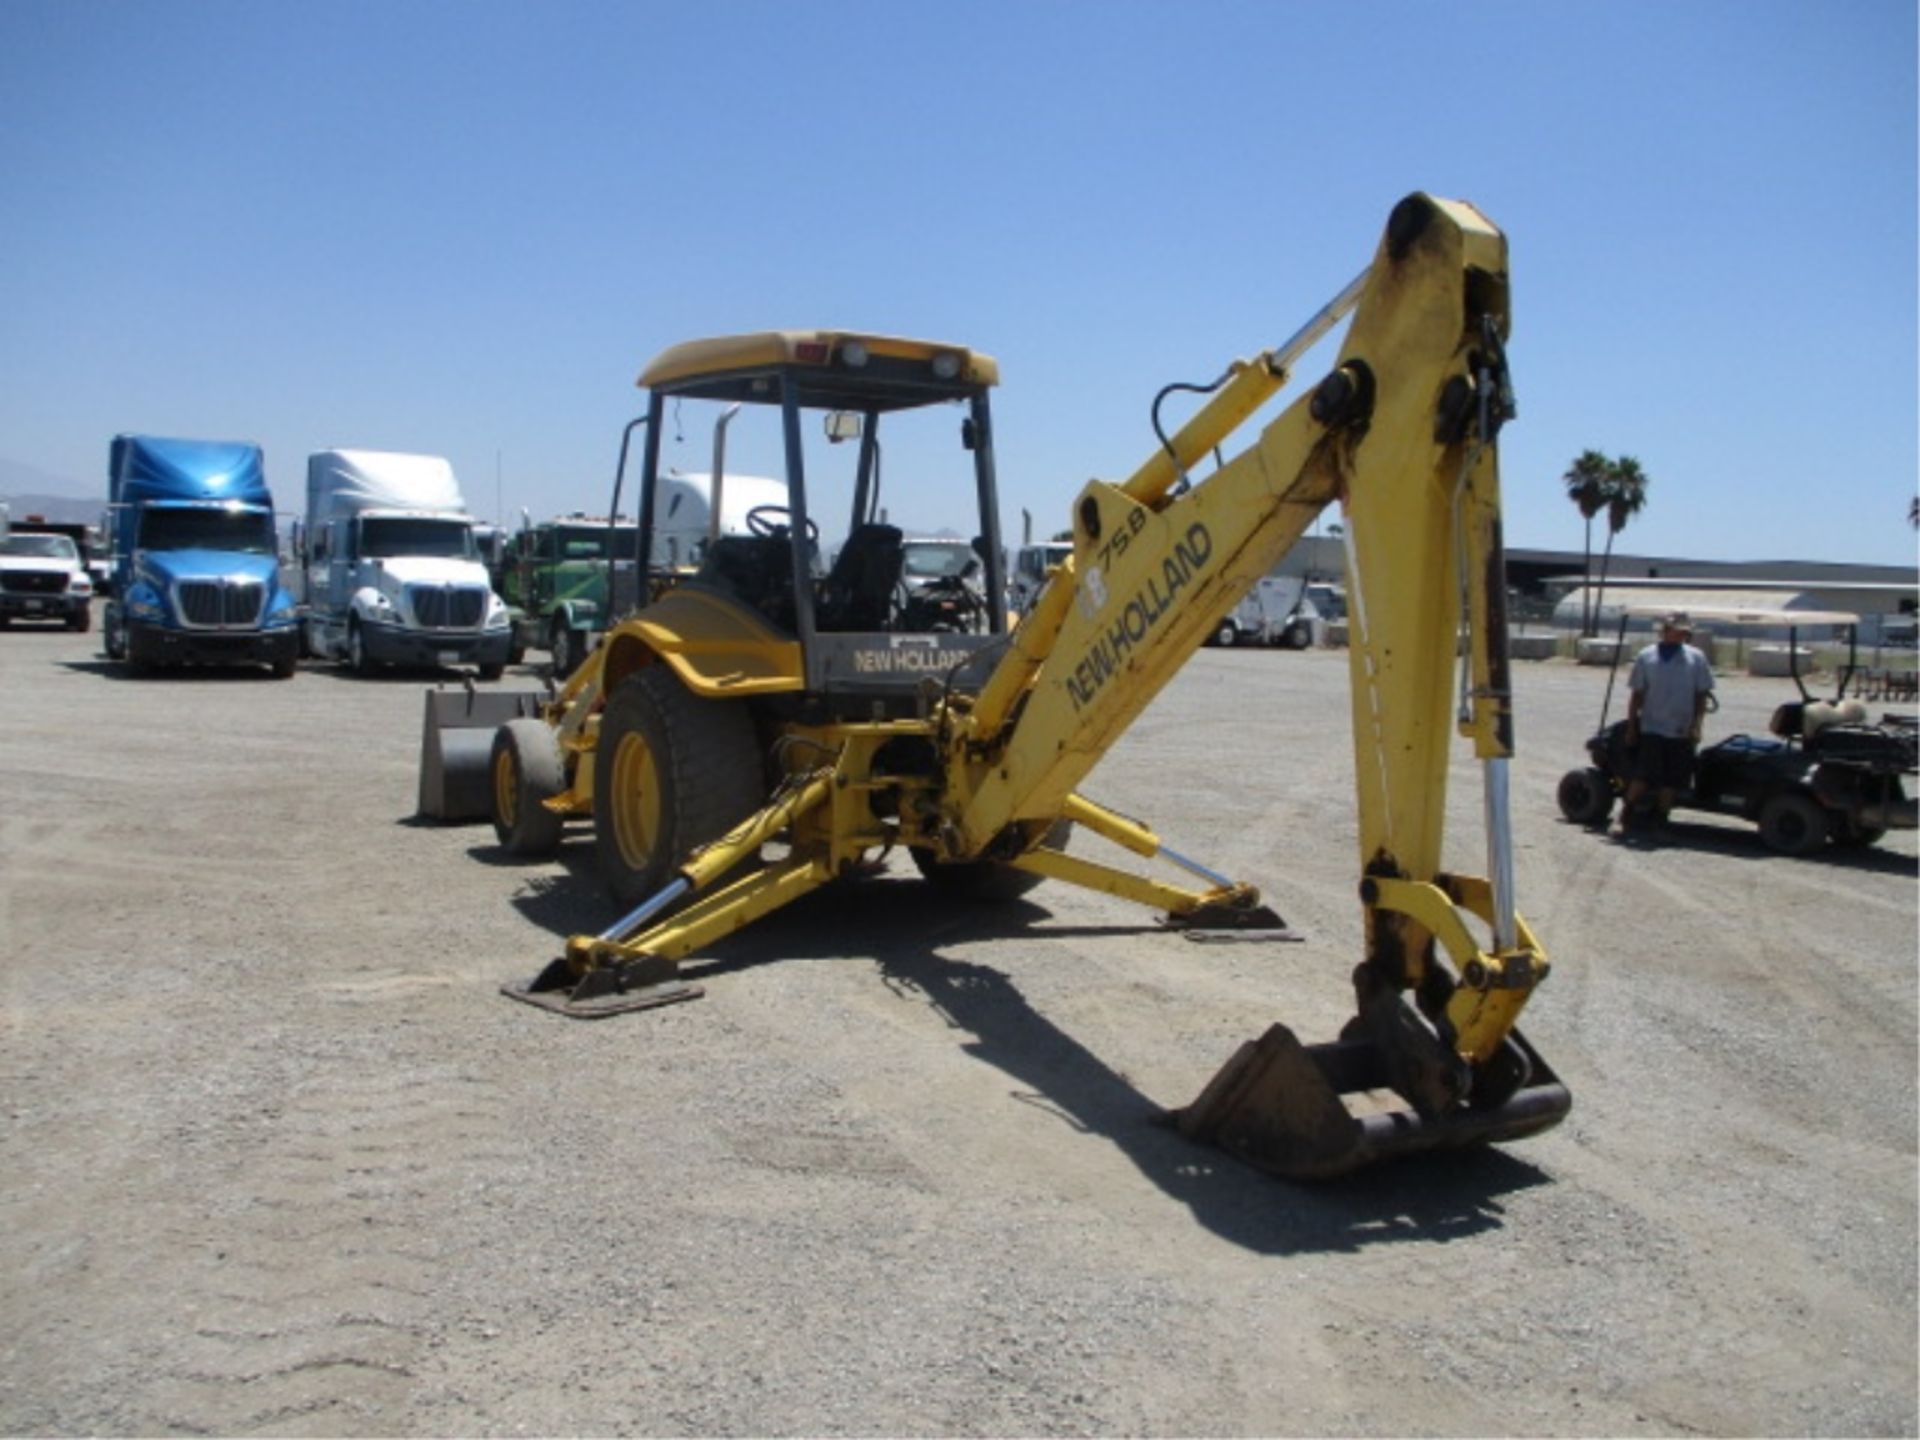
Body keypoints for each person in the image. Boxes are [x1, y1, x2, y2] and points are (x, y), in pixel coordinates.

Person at [1619, 612, 1715, 832]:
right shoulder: (1647, 656)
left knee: (1672, 780)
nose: (1682, 634)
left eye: (1685, 631)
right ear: (1665, 631)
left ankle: (1661, 818)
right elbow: (1637, 695)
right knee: (1644, 775)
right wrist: (1632, 726)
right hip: (1653, 726)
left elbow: (1701, 695)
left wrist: (1697, 725)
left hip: (1681, 728)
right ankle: (1628, 810)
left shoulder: (1696, 657)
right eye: (1677, 630)